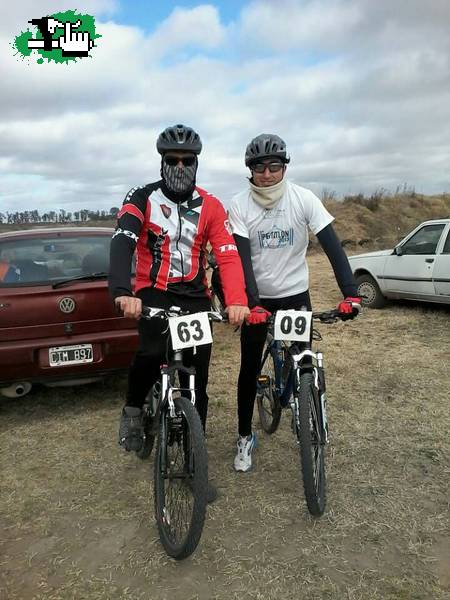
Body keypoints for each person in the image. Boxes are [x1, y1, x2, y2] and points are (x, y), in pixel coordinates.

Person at [108, 124, 249, 501]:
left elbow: (227, 255)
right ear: (162, 162)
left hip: (194, 295)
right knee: (152, 351)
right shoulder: (142, 197)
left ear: (197, 163)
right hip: (151, 290)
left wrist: (236, 299)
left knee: (198, 382)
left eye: (188, 160)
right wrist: (122, 292)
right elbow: (122, 243)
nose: (181, 166)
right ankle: (133, 410)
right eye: (173, 160)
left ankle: (192, 463)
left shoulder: (211, 205)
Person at [227, 133, 361, 472]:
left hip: (295, 295)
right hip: (258, 299)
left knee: (304, 360)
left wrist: (350, 293)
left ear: (285, 167)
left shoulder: (304, 199)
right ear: (250, 169)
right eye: (259, 167)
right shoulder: (239, 205)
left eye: (274, 166)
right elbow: (242, 260)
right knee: (248, 368)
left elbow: (333, 247)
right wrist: (252, 302)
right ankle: (244, 436)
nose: (267, 174)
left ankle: (304, 402)